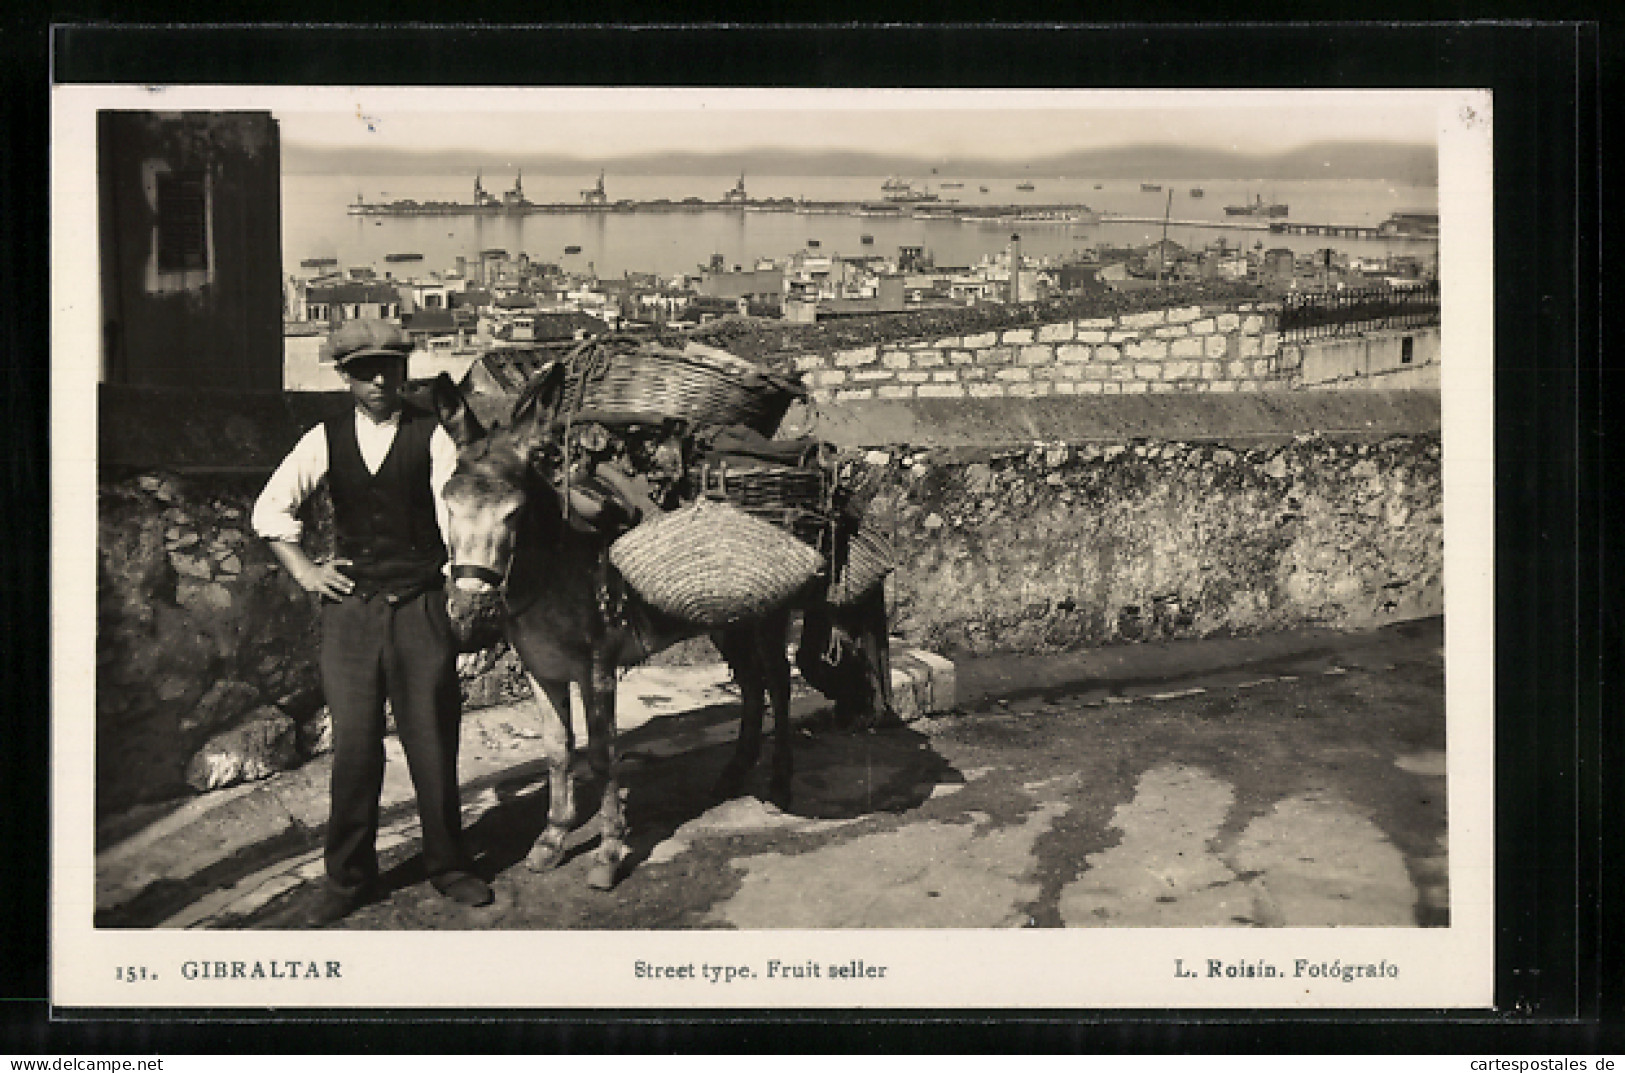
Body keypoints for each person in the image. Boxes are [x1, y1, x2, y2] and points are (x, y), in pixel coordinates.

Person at [253, 319, 493, 925]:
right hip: (352, 615)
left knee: (433, 740)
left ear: (403, 372)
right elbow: (271, 511)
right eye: (365, 373)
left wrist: (459, 587)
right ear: (345, 378)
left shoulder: (431, 436)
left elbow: (452, 513)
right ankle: (349, 877)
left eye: (390, 370)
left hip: (420, 607)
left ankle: (449, 865)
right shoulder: (323, 439)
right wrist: (307, 573)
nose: (380, 382)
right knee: (355, 749)